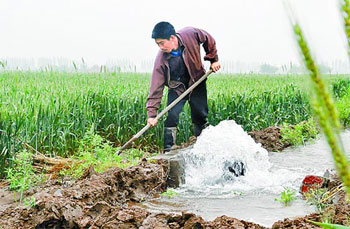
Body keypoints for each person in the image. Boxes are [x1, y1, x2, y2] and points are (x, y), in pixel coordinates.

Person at [146, 21, 221, 152]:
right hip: (177, 88)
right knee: (172, 117)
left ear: (172, 38)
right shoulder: (161, 59)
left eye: (162, 43)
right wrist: (152, 115)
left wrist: (213, 59)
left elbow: (208, 39)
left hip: (197, 82)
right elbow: (156, 87)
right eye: (158, 44)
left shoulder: (190, 34)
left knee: (200, 116)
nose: (160, 47)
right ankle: (168, 150)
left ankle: (203, 148)